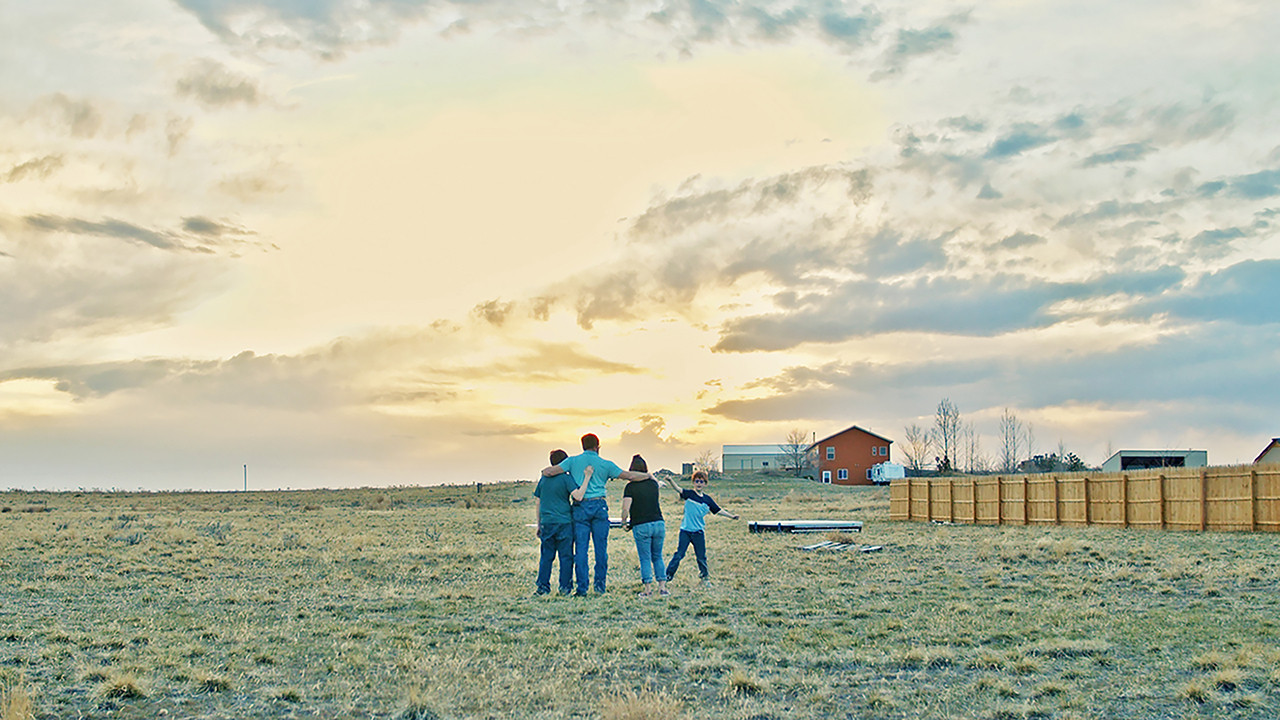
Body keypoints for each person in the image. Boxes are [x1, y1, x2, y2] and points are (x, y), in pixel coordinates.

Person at [541, 433, 653, 595]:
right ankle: (600, 587)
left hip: (580, 507)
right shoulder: (606, 464)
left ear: (582, 446)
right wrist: (647, 476)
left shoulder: (572, 461)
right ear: (597, 447)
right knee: (601, 549)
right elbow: (628, 475)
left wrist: (544, 471)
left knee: (581, 550)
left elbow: (550, 472)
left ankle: (582, 588)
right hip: (599, 506)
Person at [664, 469, 739, 587]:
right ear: (693, 482)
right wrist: (670, 480)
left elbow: (718, 510)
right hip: (685, 531)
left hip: (698, 533)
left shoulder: (707, 500)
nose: (699, 483)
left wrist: (732, 516)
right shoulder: (689, 494)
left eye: (701, 481)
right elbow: (678, 489)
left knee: (701, 557)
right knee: (679, 554)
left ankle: (705, 578)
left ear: (705, 484)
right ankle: (667, 575)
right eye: (697, 481)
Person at [532, 449, 585, 596]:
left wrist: (539, 524)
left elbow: (538, 502)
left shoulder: (543, 480)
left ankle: (542, 587)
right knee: (566, 557)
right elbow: (577, 496)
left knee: (546, 557)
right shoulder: (566, 478)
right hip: (564, 522)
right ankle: (565, 588)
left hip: (547, 522)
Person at [617, 455, 669, 598]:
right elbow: (654, 480)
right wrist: (650, 475)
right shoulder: (653, 484)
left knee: (645, 558)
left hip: (641, 525)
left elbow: (625, 508)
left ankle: (648, 590)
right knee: (658, 556)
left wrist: (623, 522)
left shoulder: (630, 487)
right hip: (658, 522)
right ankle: (663, 588)